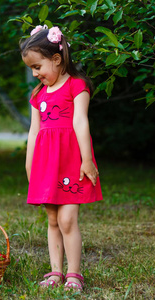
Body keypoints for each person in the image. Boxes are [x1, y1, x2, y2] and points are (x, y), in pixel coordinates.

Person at [20, 24, 102, 292]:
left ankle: (74, 274)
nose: (35, 74)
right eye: (31, 68)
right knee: (53, 219)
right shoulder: (38, 95)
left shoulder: (76, 86)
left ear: (56, 58)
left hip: (70, 162)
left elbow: (80, 121)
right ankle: (55, 271)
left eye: (38, 66)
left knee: (68, 220)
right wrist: (29, 162)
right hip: (46, 164)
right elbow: (34, 132)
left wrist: (86, 160)